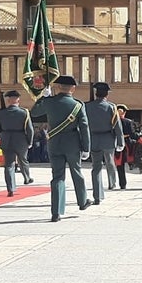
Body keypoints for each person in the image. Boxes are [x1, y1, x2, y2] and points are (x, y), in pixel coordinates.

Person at [31, 75, 92, 222]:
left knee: (57, 176)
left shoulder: (50, 102)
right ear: (73, 89)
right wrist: (86, 147)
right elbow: (84, 127)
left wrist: (42, 98)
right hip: (72, 143)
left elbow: (34, 113)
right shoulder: (78, 105)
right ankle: (82, 202)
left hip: (54, 143)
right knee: (76, 172)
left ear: (58, 87)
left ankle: (56, 212)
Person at [85, 82, 124, 203]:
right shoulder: (111, 107)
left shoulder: (87, 106)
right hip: (108, 139)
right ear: (106, 94)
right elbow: (117, 126)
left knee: (95, 167)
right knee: (110, 162)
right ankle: (112, 183)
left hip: (93, 139)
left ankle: (97, 194)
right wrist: (120, 141)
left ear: (96, 93)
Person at [0, 90, 35, 197]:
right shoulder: (24, 112)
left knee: (9, 165)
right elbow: (30, 129)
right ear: (18, 100)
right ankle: (26, 177)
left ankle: (11, 188)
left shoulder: (1, 113)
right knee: (23, 160)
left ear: (8, 100)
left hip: (6, 140)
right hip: (21, 140)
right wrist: (30, 141)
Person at [114, 104, 136, 189]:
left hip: (117, 143)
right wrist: (140, 139)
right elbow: (132, 134)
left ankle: (122, 184)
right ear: (125, 112)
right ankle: (131, 165)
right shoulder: (128, 122)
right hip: (127, 143)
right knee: (128, 159)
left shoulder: (113, 122)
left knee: (120, 165)